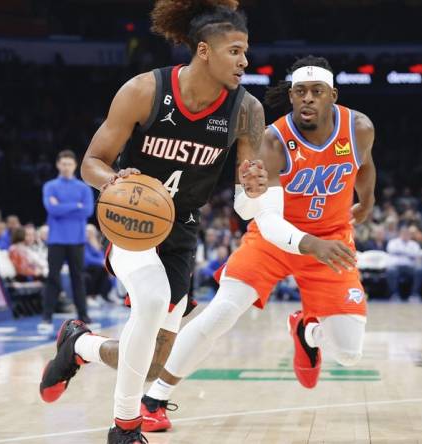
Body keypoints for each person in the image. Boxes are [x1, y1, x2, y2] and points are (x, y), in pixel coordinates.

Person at [37, 1, 266, 442]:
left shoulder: (247, 110)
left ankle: (79, 345)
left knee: (152, 363)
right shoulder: (145, 90)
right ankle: (125, 427)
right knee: (153, 299)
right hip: (130, 219)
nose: (244, 61)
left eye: (246, 51)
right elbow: (91, 163)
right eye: (235, 51)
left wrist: (254, 191)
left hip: (181, 229)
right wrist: (113, 181)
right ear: (203, 50)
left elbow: (245, 203)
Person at [139, 56, 376, 432]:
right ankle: (154, 397)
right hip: (279, 238)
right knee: (221, 312)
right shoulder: (274, 140)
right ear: (292, 95)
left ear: (333, 95)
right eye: (300, 92)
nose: (308, 100)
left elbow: (364, 166)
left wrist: (368, 200)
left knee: (348, 353)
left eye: (317, 92)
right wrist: (308, 242)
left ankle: (307, 330)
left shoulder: (358, 127)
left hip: (331, 240)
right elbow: (266, 220)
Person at [38, 149, 94, 334]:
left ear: (75, 165)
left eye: (69, 164)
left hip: (77, 239)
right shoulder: (50, 186)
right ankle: (46, 316)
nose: (66, 167)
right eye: (63, 163)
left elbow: (87, 211)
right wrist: (75, 206)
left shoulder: (84, 188)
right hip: (56, 239)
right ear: (58, 165)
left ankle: (84, 316)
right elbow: (51, 210)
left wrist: (62, 206)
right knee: (52, 278)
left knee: (78, 278)